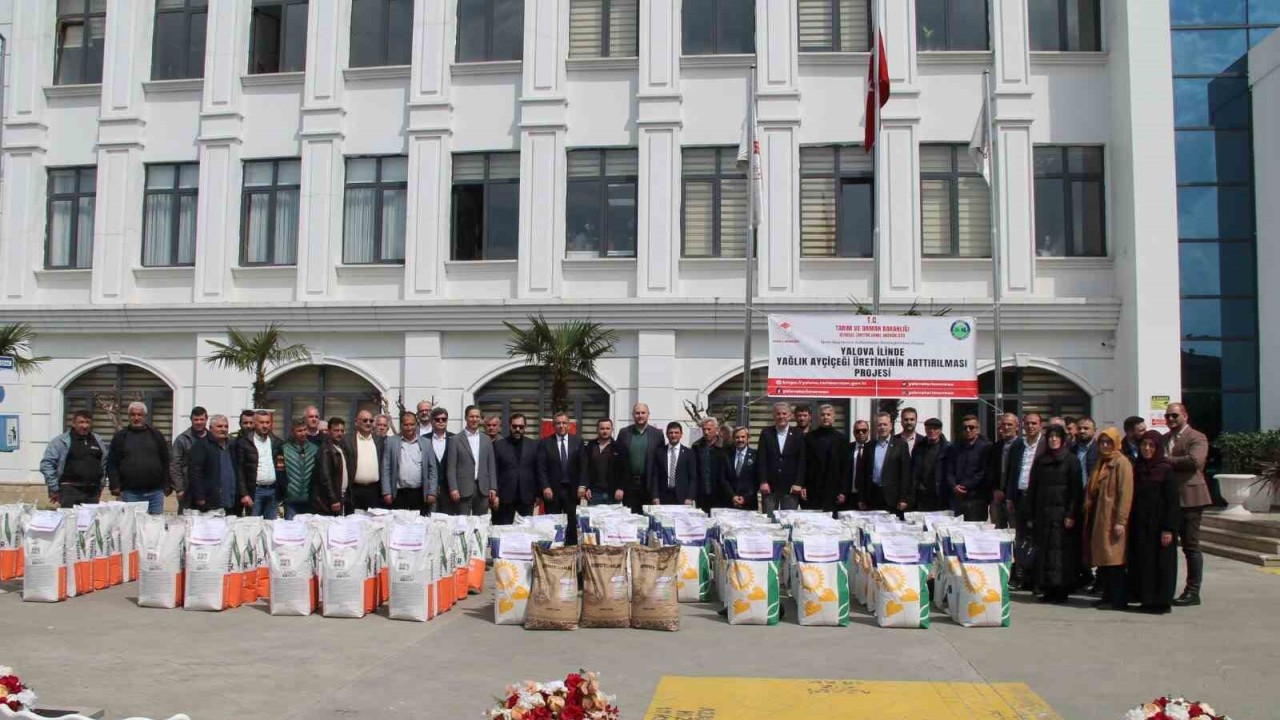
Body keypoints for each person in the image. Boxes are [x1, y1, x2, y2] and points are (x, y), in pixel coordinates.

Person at [1026, 424, 1083, 604]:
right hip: (1044, 514)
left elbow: (1076, 491)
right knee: (1045, 553)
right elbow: (1033, 489)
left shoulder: (1071, 460)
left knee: (1061, 554)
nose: (1053, 439)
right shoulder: (1041, 461)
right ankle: (1048, 589)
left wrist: (1071, 514)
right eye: (1050, 436)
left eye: (1057, 436)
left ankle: (1061, 591)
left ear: (1062, 439)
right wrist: (1031, 515)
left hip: (1062, 516)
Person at [1128, 430, 1180, 614]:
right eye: (1144, 445)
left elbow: (1172, 503)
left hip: (1160, 526)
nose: (1147, 449)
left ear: (1158, 448)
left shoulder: (1166, 470)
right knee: (1144, 562)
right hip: (1141, 525)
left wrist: (1168, 529)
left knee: (1161, 564)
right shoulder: (1137, 468)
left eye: (1151, 445)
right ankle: (1146, 599)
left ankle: (1161, 602)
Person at [1164, 403, 1210, 607]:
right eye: (1167, 416)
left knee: (1191, 547)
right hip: (1170, 500)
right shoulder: (1165, 438)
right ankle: (1165, 587)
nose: (1170, 419)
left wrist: (1168, 460)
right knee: (1167, 547)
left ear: (1185, 416)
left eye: (1174, 415)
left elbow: (1195, 461)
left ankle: (1193, 591)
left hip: (1191, 499)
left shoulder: (1196, 437)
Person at [1084, 427, 1134, 610]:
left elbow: (1125, 493)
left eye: (1109, 442)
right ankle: (1107, 596)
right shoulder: (1101, 462)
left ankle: (1118, 599)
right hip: (1100, 517)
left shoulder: (1122, 463)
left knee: (1115, 561)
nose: (1105, 446)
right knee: (1104, 561)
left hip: (1113, 519)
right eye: (1102, 442)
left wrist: (1121, 520)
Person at [1004, 412, 1046, 589]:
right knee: (1021, 539)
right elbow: (1012, 472)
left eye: (1034, 423)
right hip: (1020, 497)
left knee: (1038, 538)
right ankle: (1023, 577)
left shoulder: (1045, 445)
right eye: (1027, 423)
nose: (1030, 426)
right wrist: (1010, 497)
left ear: (1040, 425)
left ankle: (1038, 579)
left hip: (1039, 498)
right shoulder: (1018, 445)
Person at [107, 402, 172, 515]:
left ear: (145, 416)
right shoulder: (120, 437)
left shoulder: (156, 435)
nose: (136, 418)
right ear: (128, 417)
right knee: (133, 527)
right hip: (130, 492)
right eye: (133, 415)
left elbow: (165, 460)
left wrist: (167, 484)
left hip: (155, 493)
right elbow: (112, 462)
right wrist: (115, 485)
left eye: (139, 415)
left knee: (154, 527)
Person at [41, 410, 108, 508]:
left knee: (89, 522)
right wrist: (54, 487)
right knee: (70, 521)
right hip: (69, 490)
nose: (84, 426)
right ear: (73, 423)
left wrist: (101, 485)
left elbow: (104, 463)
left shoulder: (98, 440)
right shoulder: (61, 441)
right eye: (81, 422)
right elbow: (47, 464)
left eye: (87, 422)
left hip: (92, 491)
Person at [538, 413, 585, 543]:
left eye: (564, 423)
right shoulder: (545, 443)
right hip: (552, 491)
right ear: (554, 425)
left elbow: (583, 466)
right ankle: (554, 551)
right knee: (553, 523)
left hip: (572, 490)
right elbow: (541, 468)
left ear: (569, 424)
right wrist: (545, 486)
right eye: (558, 423)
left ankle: (570, 552)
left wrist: (582, 485)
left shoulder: (578, 442)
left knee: (571, 523)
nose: (561, 426)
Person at [382, 411, 438, 514]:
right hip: (398, 493)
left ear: (416, 425)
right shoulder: (391, 442)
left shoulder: (426, 443)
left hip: (419, 493)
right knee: (398, 525)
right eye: (406, 425)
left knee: (419, 525)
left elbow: (432, 469)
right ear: (401, 426)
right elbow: (386, 468)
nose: (409, 428)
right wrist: (386, 492)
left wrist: (432, 492)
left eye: (412, 424)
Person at [446, 405, 498, 516]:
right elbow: (451, 467)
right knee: (462, 523)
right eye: (471, 416)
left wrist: (493, 487)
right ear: (466, 418)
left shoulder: (486, 439)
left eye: (477, 417)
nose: (474, 419)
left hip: (482, 489)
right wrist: (453, 488)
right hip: (462, 488)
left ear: (480, 419)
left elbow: (491, 466)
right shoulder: (455, 440)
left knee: (481, 524)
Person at [857, 412, 912, 516]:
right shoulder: (869, 446)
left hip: (893, 498)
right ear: (875, 427)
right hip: (872, 495)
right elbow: (862, 474)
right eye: (879, 425)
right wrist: (861, 498)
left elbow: (906, 474)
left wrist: (903, 498)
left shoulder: (900, 445)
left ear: (890, 426)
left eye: (885, 424)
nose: (882, 427)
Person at [756, 402, 806, 513]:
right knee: (768, 519)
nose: (781, 416)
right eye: (778, 414)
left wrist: (798, 483)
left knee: (788, 521)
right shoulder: (766, 433)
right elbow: (761, 459)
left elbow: (802, 461)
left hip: (790, 487)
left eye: (784, 413)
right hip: (769, 487)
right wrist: (763, 481)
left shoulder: (798, 434)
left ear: (790, 416)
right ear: (773, 416)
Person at [616, 403, 664, 514]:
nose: (640, 415)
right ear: (633, 415)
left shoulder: (657, 434)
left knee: (648, 519)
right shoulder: (624, 433)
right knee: (629, 518)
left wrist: (657, 492)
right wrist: (620, 487)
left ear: (648, 415)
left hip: (649, 485)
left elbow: (660, 464)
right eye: (637, 413)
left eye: (643, 413)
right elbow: (618, 462)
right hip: (629, 485)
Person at [237, 410, 285, 519]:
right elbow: (239, 470)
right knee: (253, 526)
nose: (265, 426)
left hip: (273, 491)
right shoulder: (245, 443)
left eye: (267, 423)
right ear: (254, 423)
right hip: (255, 491)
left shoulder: (276, 442)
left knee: (270, 527)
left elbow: (281, 467)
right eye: (261, 423)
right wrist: (244, 494)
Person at [187, 415, 240, 515]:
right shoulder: (201, 446)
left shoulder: (232, 445)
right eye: (219, 426)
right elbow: (195, 472)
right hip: (210, 501)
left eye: (226, 426)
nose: (223, 429)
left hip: (230, 499)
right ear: (211, 428)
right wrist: (199, 496)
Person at [493, 414, 538, 524]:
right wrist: (495, 494)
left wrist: (538, 494)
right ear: (509, 426)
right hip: (505, 497)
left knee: (525, 532)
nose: (517, 429)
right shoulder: (498, 446)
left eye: (521, 427)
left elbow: (538, 470)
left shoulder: (534, 445)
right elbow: (494, 471)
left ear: (525, 427)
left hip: (526, 497)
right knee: (503, 531)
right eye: (514, 426)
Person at [944, 415, 989, 521]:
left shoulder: (986, 448)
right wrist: (954, 486)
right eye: (965, 428)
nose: (968, 430)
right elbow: (949, 471)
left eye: (971, 427)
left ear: (978, 429)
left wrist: (964, 486)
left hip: (976, 498)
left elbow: (983, 472)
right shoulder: (954, 448)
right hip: (956, 498)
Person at [804, 405, 845, 513]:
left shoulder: (841, 439)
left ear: (833, 417)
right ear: (818, 417)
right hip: (813, 488)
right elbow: (804, 463)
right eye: (822, 415)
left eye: (828, 414)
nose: (825, 417)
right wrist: (803, 485)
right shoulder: (809, 437)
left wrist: (843, 491)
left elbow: (845, 467)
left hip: (833, 490)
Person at [279, 418, 320, 520]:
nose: (302, 433)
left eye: (304, 430)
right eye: (299, 431)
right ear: (293, 432)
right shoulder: (284, 449)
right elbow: (280, 473)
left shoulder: (315, 449)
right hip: (291, 499)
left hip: (309, 499)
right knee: (291, 530)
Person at [345, 410, 386, 510]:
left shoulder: (379, 441)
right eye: (365, 420)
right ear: (356, 422)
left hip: (374, 491)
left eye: (371, 421)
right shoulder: (347, 440)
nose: (368, 423)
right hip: (354, 490)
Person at [170, 406, 209, 509]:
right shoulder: (182, 439)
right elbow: (175, 465)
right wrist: (179, 488)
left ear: (206, 420)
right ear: (191, 420)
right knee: (186, 520)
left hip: (208, 487)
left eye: (201, 419)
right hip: (187, 488)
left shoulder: (212, 438)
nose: (199, 422)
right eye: (196, 419)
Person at [649, 421, 696, 506]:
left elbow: (693, 477)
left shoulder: (689, 453)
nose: (673, 435)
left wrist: (690, 497)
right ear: (667, 435)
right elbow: (655, 476)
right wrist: (655, 496)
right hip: (663, 496)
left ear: (681, 434)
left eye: (676, 433)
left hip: (682, 497)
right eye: (671, 433)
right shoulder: (660, 452)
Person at [582, 418, 626, 506]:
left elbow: (625, 470)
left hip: (613, 493)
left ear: (612, 430)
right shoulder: (590, 446)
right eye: (602, 428)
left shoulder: (619, 447)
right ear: (597, 429)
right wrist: (586, 487)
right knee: (594, 519)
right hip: (594, 493)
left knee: (613, 519)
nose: (605, 431)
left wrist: (621, 488)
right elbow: (585, 468)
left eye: (607, 428)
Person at [989, 413, 1020, 528]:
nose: (1006, 427)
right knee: (997, 533)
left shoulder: (1022, 446)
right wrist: (995, 489)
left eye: (1010, 424)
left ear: (1017, 427)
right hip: (997, 497)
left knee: (1015, 531)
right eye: (1003, 425)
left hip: (1014, 498)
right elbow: (991, 470)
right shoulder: (996, 446)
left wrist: (1009, 493)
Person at [912, 417, 949, 512]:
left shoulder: (948, 448)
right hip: (922, 495)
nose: (932, 431)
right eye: (929, 428)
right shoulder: (918, 448)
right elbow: (913, 470)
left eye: (935, 429)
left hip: (941, 495)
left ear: (940, 430)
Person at [692, 417, 728, 510]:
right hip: (701, 493)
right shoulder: (696, 446)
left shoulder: (725, 446)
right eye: (704, 429)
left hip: (720, 494)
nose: (706, 432)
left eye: (709, 429)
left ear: (716, 430)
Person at [315, 417, 348, 515]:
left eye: (342, 430)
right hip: (331, 500)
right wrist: (333, 499)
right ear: (329, 431)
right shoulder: (326, 449)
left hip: (342, 495)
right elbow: (325, 476)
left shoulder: (340, 447)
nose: (340, 433)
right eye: (336, 430)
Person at [425, 407, 455, 512]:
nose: (441, 421)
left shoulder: (455, 439)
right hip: (428, 489)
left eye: (444, 419)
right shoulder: (424, 439)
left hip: (448, 489)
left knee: (447, 521)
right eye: (437, 419)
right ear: (432, 421)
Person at [721, 427, 757, 510]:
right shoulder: (726, 455)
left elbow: (757, 480)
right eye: (737, 437)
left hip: (749, 503)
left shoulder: (756, 455)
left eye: (743, 437)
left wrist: (745, 498)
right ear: (733, 439)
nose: (740, 440)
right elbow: (722, 478)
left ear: (748, 439)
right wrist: (732, 496)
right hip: (729, 502)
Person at [845, 420, 871, 509]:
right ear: (853, 433)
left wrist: (865, 498)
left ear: (868, 432)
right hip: (848, 496)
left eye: (864, 430)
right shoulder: (847, 448)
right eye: (857, 431)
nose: (860, 433)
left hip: (868, 498)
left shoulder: (874, 448)